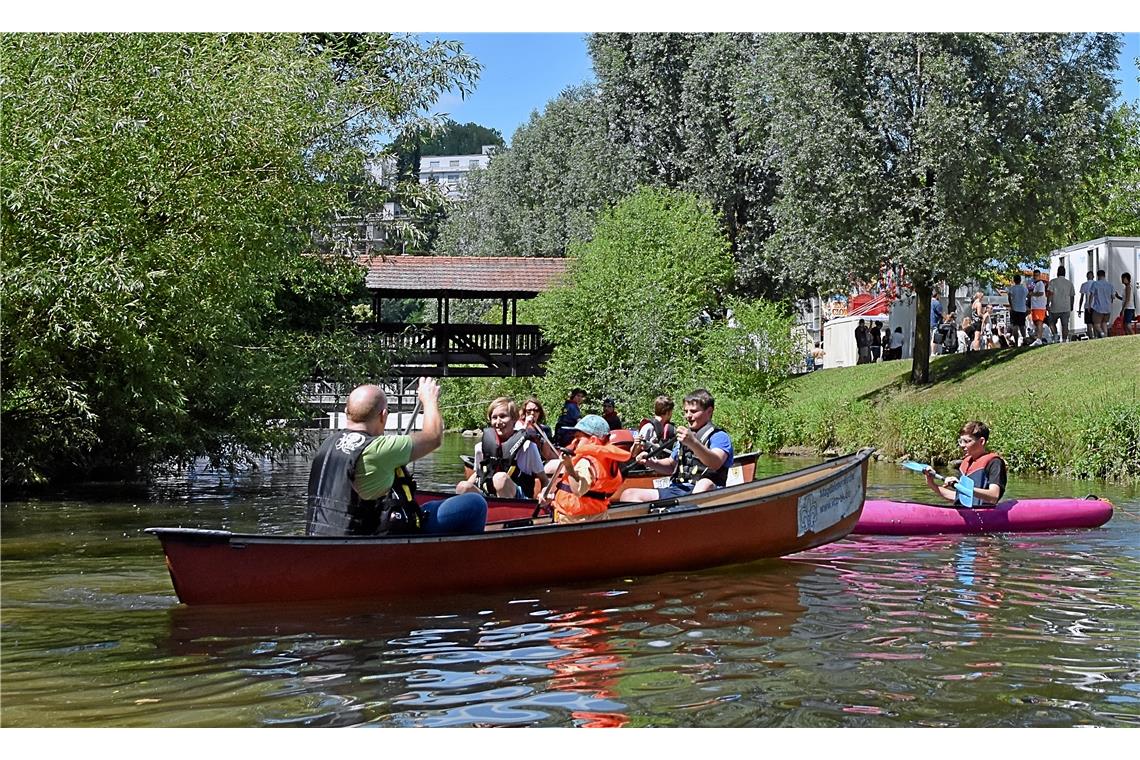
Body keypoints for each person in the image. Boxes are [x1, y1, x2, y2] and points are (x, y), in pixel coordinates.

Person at [306, 378, 487, 537]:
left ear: (347, 412)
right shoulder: (378, 448)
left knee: (428, 504)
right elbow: (433, 437)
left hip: (324, 534)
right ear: (383, 416)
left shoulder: (327, 445)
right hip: (373, 537)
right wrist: (429, 399)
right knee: (475, 503)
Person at [621, 389, 735, 503]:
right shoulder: (684, 437)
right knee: (629, 495)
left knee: (704, 484)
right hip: (678, 489)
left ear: (709, 411)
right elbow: (671, 465)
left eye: (693, 411)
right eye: (686, 411)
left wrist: (693, 442)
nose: (688, 416)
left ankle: (687, 513)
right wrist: (649, 462)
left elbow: (715, 463)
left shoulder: (719, 437)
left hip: (706, 492)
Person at [540, 415, 637, 524]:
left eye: (578, 438)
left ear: (593, 440)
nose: (574, 442)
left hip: (575, 523)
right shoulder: (608, 461)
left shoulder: (586, 462)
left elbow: (578, 489)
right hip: (596, 518)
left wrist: (569, 467)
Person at [457, 397, 547, 499]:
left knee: (500, 479)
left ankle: (505, 512)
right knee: (462, 486)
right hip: (489, 494)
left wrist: (544, 493)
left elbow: (544, 480)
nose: (498, 422)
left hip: (519, 498)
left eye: (503, 416)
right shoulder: (480, 447)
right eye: (494, 418)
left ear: (514, 419)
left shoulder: (529, 447)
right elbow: (479, 473)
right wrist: (466, 486)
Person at [924, 421, 1008, 508]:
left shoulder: (994, 463)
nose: (962, 445)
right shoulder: (965, 463)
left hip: (983, 514)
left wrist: (964, 488)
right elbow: (957, 498)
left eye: (967, 441)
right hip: (964, 513)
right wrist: (932, 484)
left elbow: (993, 496)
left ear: (981, 441)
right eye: (960, 441)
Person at [519, 396, 558, 461]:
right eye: (529, 410)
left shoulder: (541, 430)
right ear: (524, 412)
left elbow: (548, 454)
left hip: (539, 462)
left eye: (536, 410)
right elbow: (516, 442)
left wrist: (560, 460)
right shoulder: (519, 425)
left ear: (539, 413)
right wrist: (526, 425)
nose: (532, 413)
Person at [1046, 264, 1074, 342]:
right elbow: (1072, 296)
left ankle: (1055, 335)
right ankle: (1064, 340)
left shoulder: (1052, 282)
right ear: (1064, 273)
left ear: (1058, 273)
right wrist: (1071, 305)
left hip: (1055, 307)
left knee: (1051, 322)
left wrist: (1048, 304)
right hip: (1066, 307)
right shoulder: (1069, 283)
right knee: (1065, 325)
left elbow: (1050, 294)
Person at [1088, 269, 1114, 339]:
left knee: (1096, 324)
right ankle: (1105, 336)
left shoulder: (1095, 284)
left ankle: (1102, 333)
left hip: (1098, 308)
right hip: (1107, 308)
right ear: (1104, 275)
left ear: (1098, 276)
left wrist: (1089, 305)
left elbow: (1091, 295)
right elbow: (1113, 297)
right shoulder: (1110, 285)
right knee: (1104, 323)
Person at [1007, 274, 1029, 346]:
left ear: (1014, 280)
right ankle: (1024, 339)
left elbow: (1009, 297)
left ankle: (1016, 342)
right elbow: (1027, 295)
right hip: (1022, 309)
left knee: (1015, 326)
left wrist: (1011, 306)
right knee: (1022, 325)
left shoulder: (1012, 288)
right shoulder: (1024, 288)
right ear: (1020, 280)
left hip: (1014, 309)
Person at [1113, 271, 1136, 336]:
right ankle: (1129, 337)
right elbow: (1125, 299)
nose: (1122, 279)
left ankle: (1134, 337)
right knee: (1125, 325)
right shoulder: (1126, 287)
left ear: (1127, 279)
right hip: (1128, 308)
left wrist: (1123, 310)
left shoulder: (1128, 287)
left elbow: (1128, 300)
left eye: (1123, 278)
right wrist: (1118, 297)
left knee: (1127, 324)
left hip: (1129, 308)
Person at [1029, 268, 1048, 339]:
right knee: (1036, 322)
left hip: (1039, 306)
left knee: (1039, 322)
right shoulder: (1034, 284)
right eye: (1034, 275)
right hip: (1035, 306)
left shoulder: (1040, 284)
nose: (1035, 277)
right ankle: (1037, 337)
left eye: (1037, 275)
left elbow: (1041, 293)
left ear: (1039, 276)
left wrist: (1032, 294)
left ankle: (1039, 338)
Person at [1078, 270, 1095, 337]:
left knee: (1089, 323)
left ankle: (1091, 337)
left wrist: (1079, 308)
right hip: (1096, 306)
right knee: (1095, 323)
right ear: (1093, 276)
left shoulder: (1084, 285)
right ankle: (1096, 336)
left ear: (1087, 276)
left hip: (1087, 306)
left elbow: (1081, 298)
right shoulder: (1096, 284)